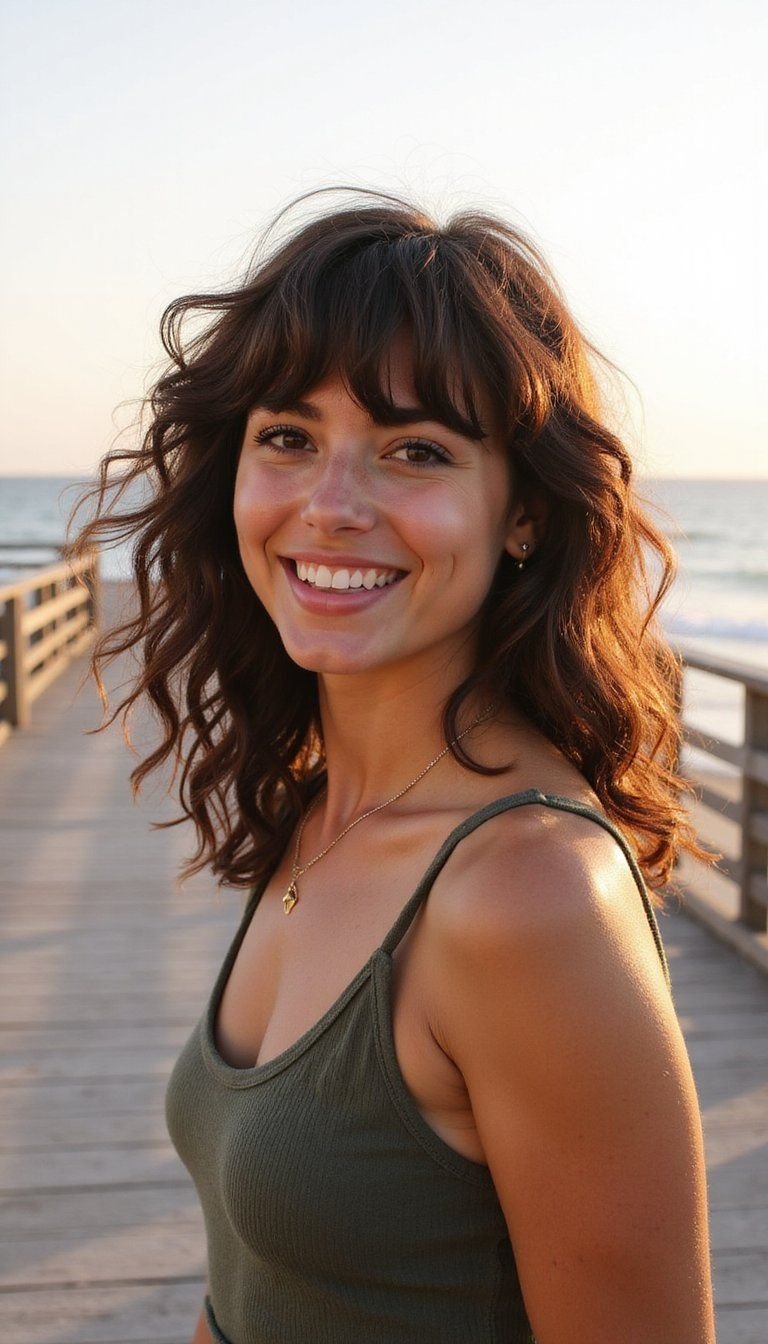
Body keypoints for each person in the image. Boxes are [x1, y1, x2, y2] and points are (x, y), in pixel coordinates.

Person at [68, 186, 716, 1343]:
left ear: (521, 512)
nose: (330, 505)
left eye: (415, 450)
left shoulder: (530, 895)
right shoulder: (325, 809)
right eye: (289, 438)